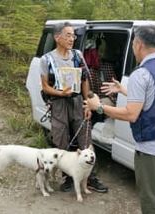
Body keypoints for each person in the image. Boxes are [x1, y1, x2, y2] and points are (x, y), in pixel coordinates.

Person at [85, 25, 155, 214]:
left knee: (150, 196)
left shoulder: (141, 73)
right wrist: (123, 90)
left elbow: (131, 114)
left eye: (133, 44)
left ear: (138, 44)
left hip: (152, 149)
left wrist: (98, 106)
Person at [40, 22, 108, 193]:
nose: (72, 39)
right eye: (68, 35)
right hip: (58, 102)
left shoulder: (77, 55)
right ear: (57, 37)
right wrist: (60, 93)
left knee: (85, 138)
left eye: (73, 35)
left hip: (78, 101)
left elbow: (84, 79)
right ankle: (68, 177)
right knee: (60, 140)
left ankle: (90, 178)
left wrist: (87, 103)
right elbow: (45, 87)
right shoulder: (46, 59)